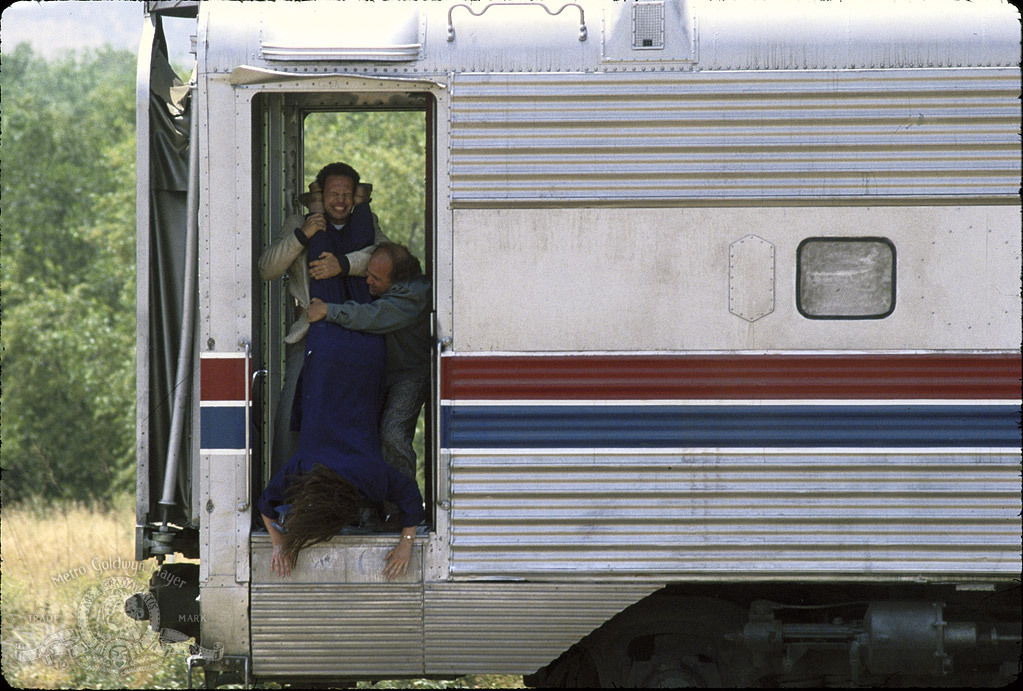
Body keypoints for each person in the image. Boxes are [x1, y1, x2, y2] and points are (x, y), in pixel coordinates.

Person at [255, 202, 424, 581]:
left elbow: (412, 503)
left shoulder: (369, 476)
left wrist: (405, 542)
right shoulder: (303, 467)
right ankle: (341, 214)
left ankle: (349, 212)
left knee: (361, 293)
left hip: (364, 361)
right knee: (330, 281)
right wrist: (280, 543)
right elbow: (266, 507)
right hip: (330, 357)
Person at [258, 163, 389, 477]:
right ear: (322, 195)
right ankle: (282, 491)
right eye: (333, 194)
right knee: (292, 410)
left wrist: (342, 265)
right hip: (308, 333)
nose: (340, 201)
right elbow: (267, 268)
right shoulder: (297, 222)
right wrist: (304, 236)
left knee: (359, 415)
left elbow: (387, 259)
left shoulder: (366, 222)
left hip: (356, 332)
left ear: (355, 197)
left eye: (346, 194)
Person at [307, 243, 431, 484]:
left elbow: (375, 316)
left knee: (393, 435)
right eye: (367, 274)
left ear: (397, 281)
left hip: (410, 374)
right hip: (381, 371)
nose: (368, 282)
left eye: (375, 278)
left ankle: (404, 508)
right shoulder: (391, 285)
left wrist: (328, 310)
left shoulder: (415, 294)